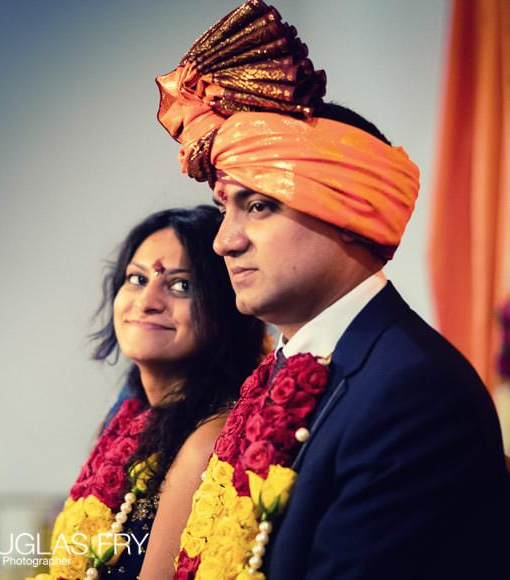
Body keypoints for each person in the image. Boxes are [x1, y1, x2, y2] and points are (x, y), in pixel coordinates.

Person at [156, 1, 509, 579]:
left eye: (260, 206)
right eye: (226, 209)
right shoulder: (296, 371)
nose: (224, 242)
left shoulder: (411, 393)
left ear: (351, 213)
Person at [27, 206, 266, 580]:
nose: (148, 301)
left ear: (225, 308)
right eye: (137, 279)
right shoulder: (131, 421)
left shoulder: (209, 440)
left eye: (181, 286)